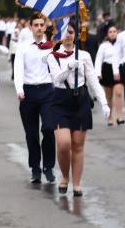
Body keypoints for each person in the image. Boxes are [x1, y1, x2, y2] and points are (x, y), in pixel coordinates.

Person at [47, 22, 110, 196]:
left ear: (76, 35)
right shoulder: (53, 56)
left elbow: (92, 80)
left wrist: (103, 102)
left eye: (71, 32)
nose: (68, 35)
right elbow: (56, 80)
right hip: (60, 100)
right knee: (63, 143)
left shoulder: (84, 56)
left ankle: (76, 184)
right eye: (65, 32)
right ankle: (64, 176)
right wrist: (69, 66)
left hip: (80, 100)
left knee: (77, 145)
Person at [13, 13, 56, 183]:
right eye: (36, 25)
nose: (39, 28)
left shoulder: (51, 46)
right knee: (31, 134)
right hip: (29, 92)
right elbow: (18, 69)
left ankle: (49, 166)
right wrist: (19, 89)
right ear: (31, 27)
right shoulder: (23, 47)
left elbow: (55, 69)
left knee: (48, 128)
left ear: (45, 27)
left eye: (41, 25)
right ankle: (35, 168)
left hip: (47, 91)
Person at [95, 25, 125, 126]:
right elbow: (98, 60)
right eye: (110, 32)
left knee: (119, 93)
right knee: (109, 96)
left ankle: (120, 116)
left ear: (117, 32)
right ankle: (110, 116)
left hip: (119, 70)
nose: (112, 33)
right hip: (107, 70)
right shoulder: (103, 46)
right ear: (107, 34)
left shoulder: (121, 44)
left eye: (114, 31)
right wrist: (98, 73)